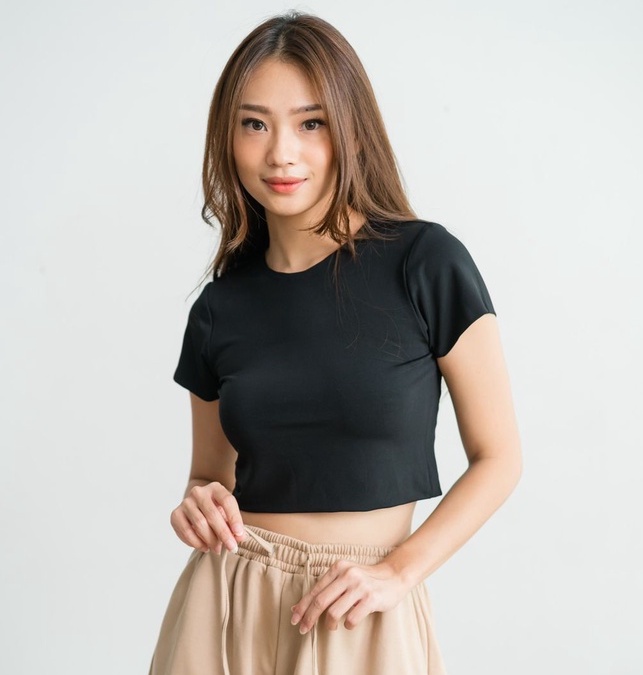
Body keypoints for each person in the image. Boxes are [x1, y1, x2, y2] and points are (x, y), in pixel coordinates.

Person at [148, 11, 522, 675]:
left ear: (350, 128)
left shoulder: (426, 264)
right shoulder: (218, 307)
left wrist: (399, 572)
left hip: (361, 611)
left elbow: (499, 458)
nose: (280, 153)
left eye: (310, 123)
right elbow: (209, 475)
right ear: (227, 137)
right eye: (254, 124)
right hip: (226, 604)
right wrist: (199, 501)